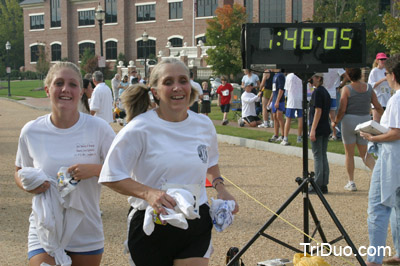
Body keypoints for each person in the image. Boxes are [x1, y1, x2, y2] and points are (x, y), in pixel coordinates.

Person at [98, 58, 238, 266]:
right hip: (152, 223)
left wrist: (220, 188)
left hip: (195, 220)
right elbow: (111, 176)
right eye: (168, 82)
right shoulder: (139, 128)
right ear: (155, 91)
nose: (177, 88)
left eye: (183, 80)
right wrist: (148, 193)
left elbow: (210, 163)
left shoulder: (204, 124)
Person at [14, 62, 115, 266]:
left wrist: (94, 170)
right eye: (58, 83)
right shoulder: (31, 131)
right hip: (45, 227)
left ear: (81, 92)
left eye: (73, 84)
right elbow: (19, 170)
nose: (65, 89)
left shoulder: (99, 129)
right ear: (47, 90)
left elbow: (123, 170)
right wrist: (28, 184)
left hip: (85, 228)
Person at [361, 55, 400, 266]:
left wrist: (372, 136)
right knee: (398, 206)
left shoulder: (396, 99)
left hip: (391, 159)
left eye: (386, 75)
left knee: (377, 208)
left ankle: (373, 260)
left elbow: (395, 133)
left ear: (392, 75)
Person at [333, 68, 383, 192]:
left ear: (349, 76)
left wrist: (335, 121)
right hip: (365, 121)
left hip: (349, 121)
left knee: (349, 153)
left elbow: (342, 109)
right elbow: (377, 106)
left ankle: (351, 182)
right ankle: (379, 176)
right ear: (360, 75)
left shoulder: (347, 89)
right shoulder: (369, 88)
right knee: (365, 153)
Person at [308, 73, 331, 194]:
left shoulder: (317, 92)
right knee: (323, 155)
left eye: (313, 77)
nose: (310, 80)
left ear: (318, 78)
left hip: (318, 127)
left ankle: (317, 184)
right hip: (325, 126)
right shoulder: (325, 91)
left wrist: (313, 129)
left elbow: (318, 111)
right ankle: (323, 184)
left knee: (318, 156)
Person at [323, 68, 348, 140]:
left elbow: (346, 76)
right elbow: (346, 76)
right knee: (333, 115)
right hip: (332, 91)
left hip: (329, 91)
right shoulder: (336, 67)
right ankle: (333, 133)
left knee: (332, 115)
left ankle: (336, 133)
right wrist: (340, 86)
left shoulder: (335, 67)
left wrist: (340, 86)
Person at [368, 53, 392, 120]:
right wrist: (382, 80)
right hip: (378, 100)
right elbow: (370, 86)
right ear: (377, 61)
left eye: (385, 59)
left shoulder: (387, 70)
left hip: (387, 99)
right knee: (376, 123)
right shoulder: (374, 71)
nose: (383, 61)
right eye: (381, 59)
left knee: (386, 122)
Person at [281, 73, 303, 146]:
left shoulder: (289, 76)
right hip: (300, 99)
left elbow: (286, 90)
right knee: (300, 119)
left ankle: (285, 138)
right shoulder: (301, 75)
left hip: (291, 100)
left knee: (288, 119)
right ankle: (299, 138)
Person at [268, 69, 286, 142]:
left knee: (279, 117)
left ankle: (283, 135)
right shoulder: (275, 76)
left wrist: (278, 101)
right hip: (275, 99)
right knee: (275, 117)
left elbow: (281, 89)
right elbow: (274, 90)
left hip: (279, 100)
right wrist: (270, 100)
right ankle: (276, 134)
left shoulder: (280, 76)